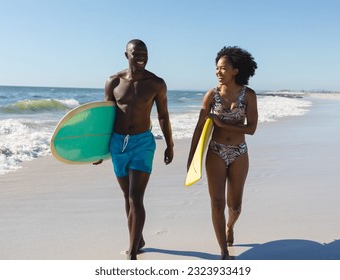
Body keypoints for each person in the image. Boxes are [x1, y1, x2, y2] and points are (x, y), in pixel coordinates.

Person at [94, 39, 174, 260]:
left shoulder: (156, 83)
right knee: (126, 196)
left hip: (142, 143)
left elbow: (163, 115)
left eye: (144, 53)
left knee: (135, 197)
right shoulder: (113, 81)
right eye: (136, 52)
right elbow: (105, 116)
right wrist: (99, 150)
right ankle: (137, 238)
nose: (141, 56)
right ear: (126, 55)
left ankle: (132, 253)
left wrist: (170, 144)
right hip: (118, 144)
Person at [187, 46, 258, 260]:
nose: (218, 72)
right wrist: (191, 159)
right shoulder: (212, 95)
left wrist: (222, 124)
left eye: (223, 68)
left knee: (235, 206)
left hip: (239, 152)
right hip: (215, 151)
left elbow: (251, 129)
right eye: (216, 68)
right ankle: (223, 252)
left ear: (235, 70)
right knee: (217, 202)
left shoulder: (249, 95)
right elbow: (200, 128)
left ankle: (230, 226)